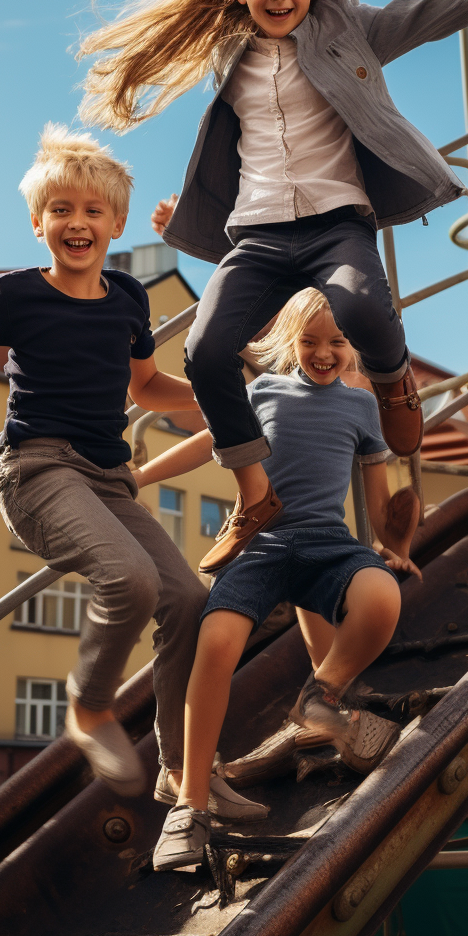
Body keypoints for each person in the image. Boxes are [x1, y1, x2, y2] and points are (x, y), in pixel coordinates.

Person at [77, 0, 468, 575]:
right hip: (256, 234)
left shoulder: (354, 28)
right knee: (204, 351)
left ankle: (394, 382)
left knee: (357, 305)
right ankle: (255, 497)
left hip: (336, 221)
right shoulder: (232, 51)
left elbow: (452, 1)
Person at [0, 126, 263, 821]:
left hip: (109, 481)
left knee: (186, 597)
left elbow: (147, 389)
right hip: (37, 471)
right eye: (61, 210)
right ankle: (91, 709)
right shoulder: (13, 295)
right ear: (39, 224)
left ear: (116, 223)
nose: (77, 223)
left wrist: (223, 385)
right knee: (131, 578)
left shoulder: (127, 299)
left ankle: (181, 769)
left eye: (93, 211)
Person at [134, 287, 422, 871]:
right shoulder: (261, 390)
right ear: (289, 342)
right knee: (215, 645)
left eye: (337, 342)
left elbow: (377, 498)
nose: (324, 352)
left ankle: (322, 697)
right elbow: (206, 441)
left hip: (325, 544)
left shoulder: (363, 407)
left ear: (355, 348)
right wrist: (139, 478)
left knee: (381, 597)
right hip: (258, 544)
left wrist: (393, 550)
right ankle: (189, 804)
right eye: (310, 341)